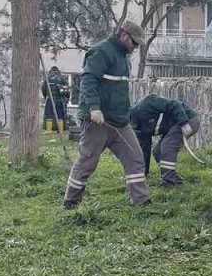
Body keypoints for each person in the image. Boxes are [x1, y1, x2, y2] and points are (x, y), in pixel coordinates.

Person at [63, 21, 149, 210]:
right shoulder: (101, 51)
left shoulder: (124, 57)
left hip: (119, 122)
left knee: (135, 157)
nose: (135, 47)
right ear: (123, 35)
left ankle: (141, 201)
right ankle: (71, 202)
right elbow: (87, 80)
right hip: (97, 121)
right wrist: (94, 108)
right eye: (134, 43)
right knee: (88, 161)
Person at [128, 94, 200, 186]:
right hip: (173, 127)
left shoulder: (147, 104)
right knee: (158, 151)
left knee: (167, 146)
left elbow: (173, 104)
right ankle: (170, 176)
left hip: (188, 119)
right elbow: (144, 149)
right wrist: (143, 173)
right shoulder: (138, 128)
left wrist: (184, 123)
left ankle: (170, 180)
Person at [43, 66, 69, 132]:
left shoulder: (47, 78)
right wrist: (67, 97)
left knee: (49, 114)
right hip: (60, 99)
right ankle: (60, 130)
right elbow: (67, 89)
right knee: (60, 114)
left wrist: (45, 95)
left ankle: (49, 130)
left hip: (50, 99)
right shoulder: (62, 78)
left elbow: (43, 88)